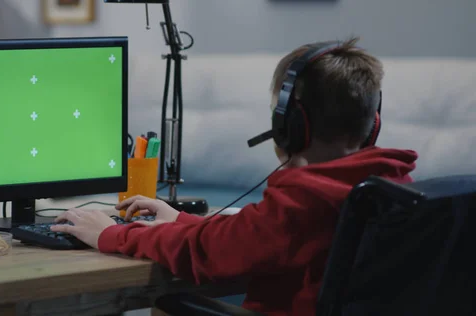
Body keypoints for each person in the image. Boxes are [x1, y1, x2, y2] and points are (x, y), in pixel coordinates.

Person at [51, 37, 418, 316]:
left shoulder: (303, 199)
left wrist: (110, 234)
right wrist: (179, 219)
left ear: (290, 124)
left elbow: (204, 255)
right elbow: (247, 237)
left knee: (167, 302)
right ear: (373, 125)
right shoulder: (390, 187)